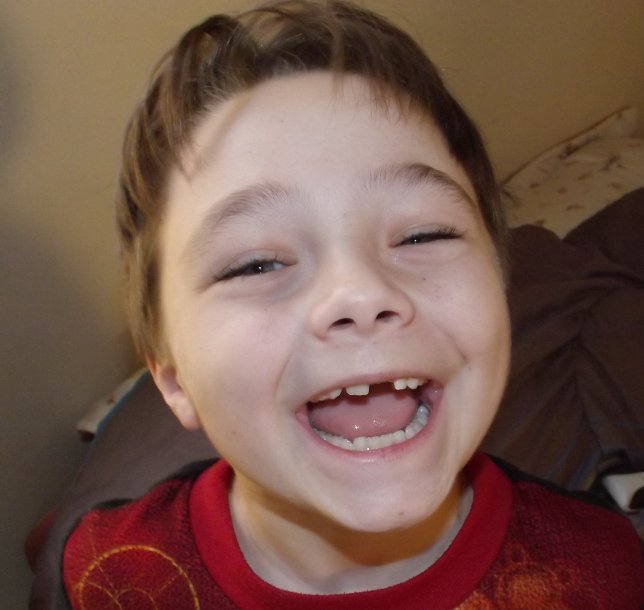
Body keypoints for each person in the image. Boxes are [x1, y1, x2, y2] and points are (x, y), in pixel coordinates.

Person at [62, 1, 644, 608]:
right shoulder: (109, 571)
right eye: (256, 264)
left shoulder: (602, 571)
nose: (362, 293)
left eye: (423, 235)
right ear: (174, 379)